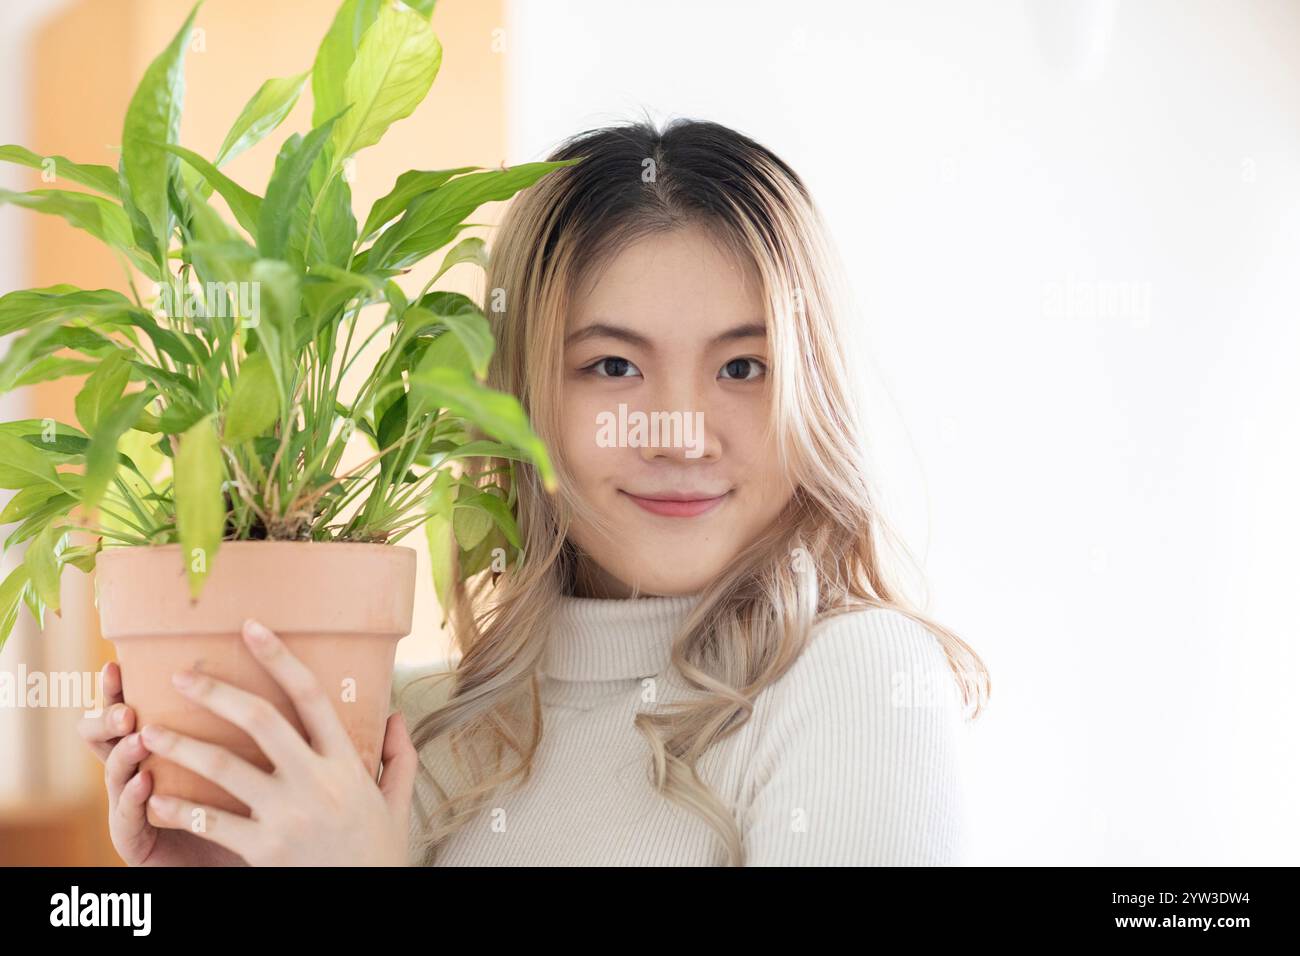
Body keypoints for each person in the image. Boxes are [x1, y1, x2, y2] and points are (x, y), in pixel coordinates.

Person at [78, 118, 991, 867]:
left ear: (811, 392)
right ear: (516, 399)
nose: (677, 433)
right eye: (614, 366)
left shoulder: (856, 680)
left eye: (744, 366)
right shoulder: (409, 730)